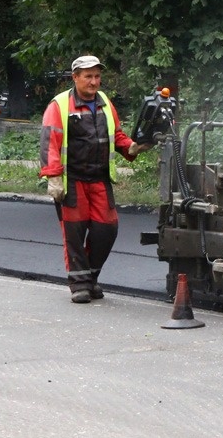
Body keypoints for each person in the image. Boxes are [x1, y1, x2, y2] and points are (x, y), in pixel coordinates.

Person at [39, 55, 144, 303]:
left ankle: (91, 277)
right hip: (72, 179)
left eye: (97, 76)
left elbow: (116, 134)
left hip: (99, 178)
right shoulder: (60, 105)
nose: (94, 82)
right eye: (88, 76)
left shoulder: (105, 102)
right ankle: (80, 285)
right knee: (73, 232)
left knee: (107, 229)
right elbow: (49, 144)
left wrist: (131, 147)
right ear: (75, 77)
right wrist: (53, 177)